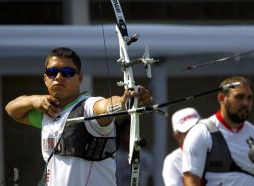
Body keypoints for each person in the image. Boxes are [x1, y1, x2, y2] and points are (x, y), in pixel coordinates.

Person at [5, 47, 153, 186]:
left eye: (67, 72)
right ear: (45, 78)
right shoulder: (48, 112)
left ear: (79, 78)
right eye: (52, 72)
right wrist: (33, 100)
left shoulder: (89, 107)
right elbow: (11, 109)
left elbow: (105, 106)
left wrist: (124, 101)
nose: (59, 77)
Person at [182, 76, 254, 186]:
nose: (245, 103)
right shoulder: (201, 132)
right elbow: (191, 180)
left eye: (249, 98)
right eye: (239, 97)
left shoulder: (252, 132)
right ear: (221, 98)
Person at [162, 107, 201, 186]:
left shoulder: (217, 150)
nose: (196, 133)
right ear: (177, 136)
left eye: (198, 127)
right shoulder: (172, 161)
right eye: (189, 130)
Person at [116, 116, 153, 186]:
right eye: (128, 133)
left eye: (134, 133)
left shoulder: (147, 157)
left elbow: (151, 180)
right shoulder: (114, 158)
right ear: (121, 134)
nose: (131, 137)